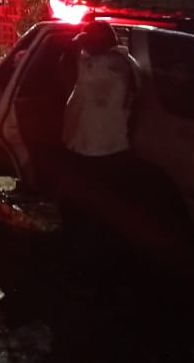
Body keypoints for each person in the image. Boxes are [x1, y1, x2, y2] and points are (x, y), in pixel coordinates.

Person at [59, 20, 139, 251]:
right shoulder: (127, 61)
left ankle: (86, 252)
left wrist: (74, 44)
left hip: (92, 147)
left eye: (89, 38)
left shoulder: (100, 65)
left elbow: (68, 70)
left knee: (82, 203)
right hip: (113, 144)